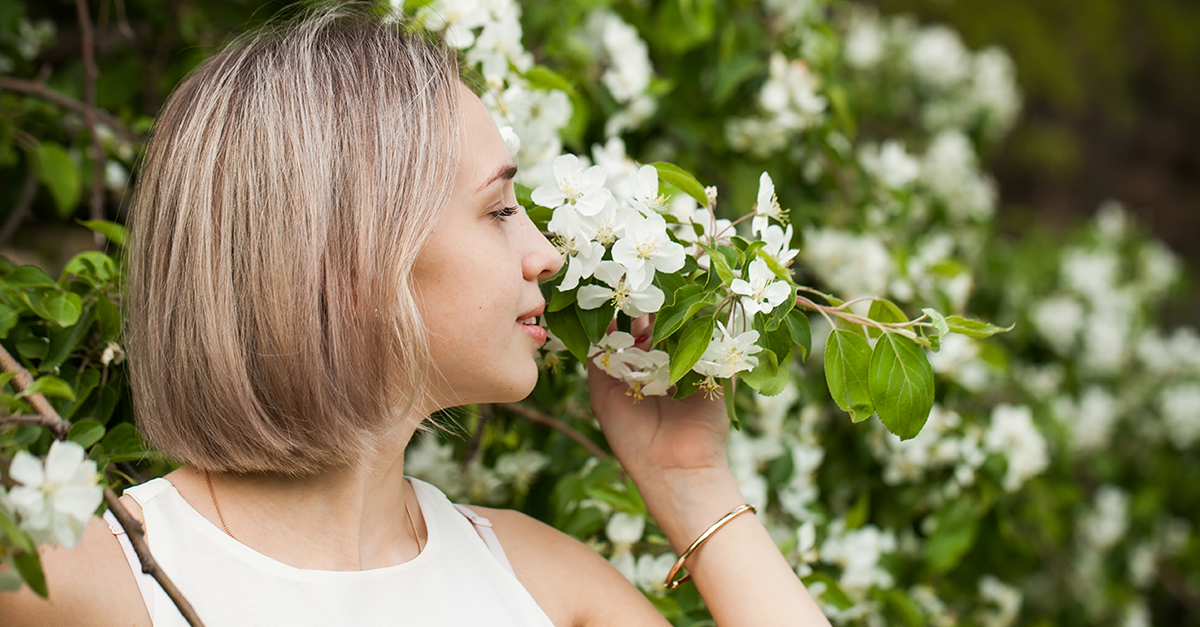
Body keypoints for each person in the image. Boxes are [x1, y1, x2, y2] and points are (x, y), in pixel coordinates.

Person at [0, 6, 830, 626]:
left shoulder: (541, 583)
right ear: (352, 255)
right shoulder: (84, 582)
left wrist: (691, 484)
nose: (548, 255)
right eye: (500, 209)